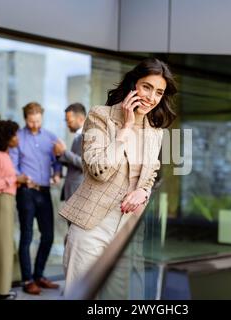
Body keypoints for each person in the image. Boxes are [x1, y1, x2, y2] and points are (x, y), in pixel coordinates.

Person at [60, 58, 177, 295]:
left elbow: (151, 173)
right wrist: (124, 129)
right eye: (147, 87)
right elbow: (97, 169)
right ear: (134, 84)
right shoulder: (100, 116)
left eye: (159, 92)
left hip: (128, 232)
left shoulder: (155, 133)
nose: (151, 97)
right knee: (81, 295)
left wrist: (143, 191)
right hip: (92, 226)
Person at [9, 102, 62, 295]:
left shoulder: (50, 138)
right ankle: (27, 279)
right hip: (26, 192)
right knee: (27, 236)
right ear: (25, 119)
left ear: (42, 117)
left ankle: (39, 275)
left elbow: (57, 161)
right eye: (31, 121)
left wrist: (57, 174)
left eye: (38, 120)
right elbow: (12, 166)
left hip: (45, 192)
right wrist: (21, 177)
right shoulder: (18, 138)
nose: (34, 124)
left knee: (48, 236)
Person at [0, 120, 24, 300]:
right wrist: (13, 180)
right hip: (1, 202)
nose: (17, 138)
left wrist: (16, 179)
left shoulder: (5, 155)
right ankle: (0, 292)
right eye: (14, 134)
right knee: (3, 248)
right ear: (6, 137)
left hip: (5, 202)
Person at [53, 103, 86, 235]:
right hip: (71, 192)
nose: (67, 124)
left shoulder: (87, 136)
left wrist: (65, 152)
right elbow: (74, 163)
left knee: (75, 234)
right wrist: (59, 154)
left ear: (81, 119)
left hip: (78, 193)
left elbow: (85, 164)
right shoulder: (77, 136)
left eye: (69, 120)